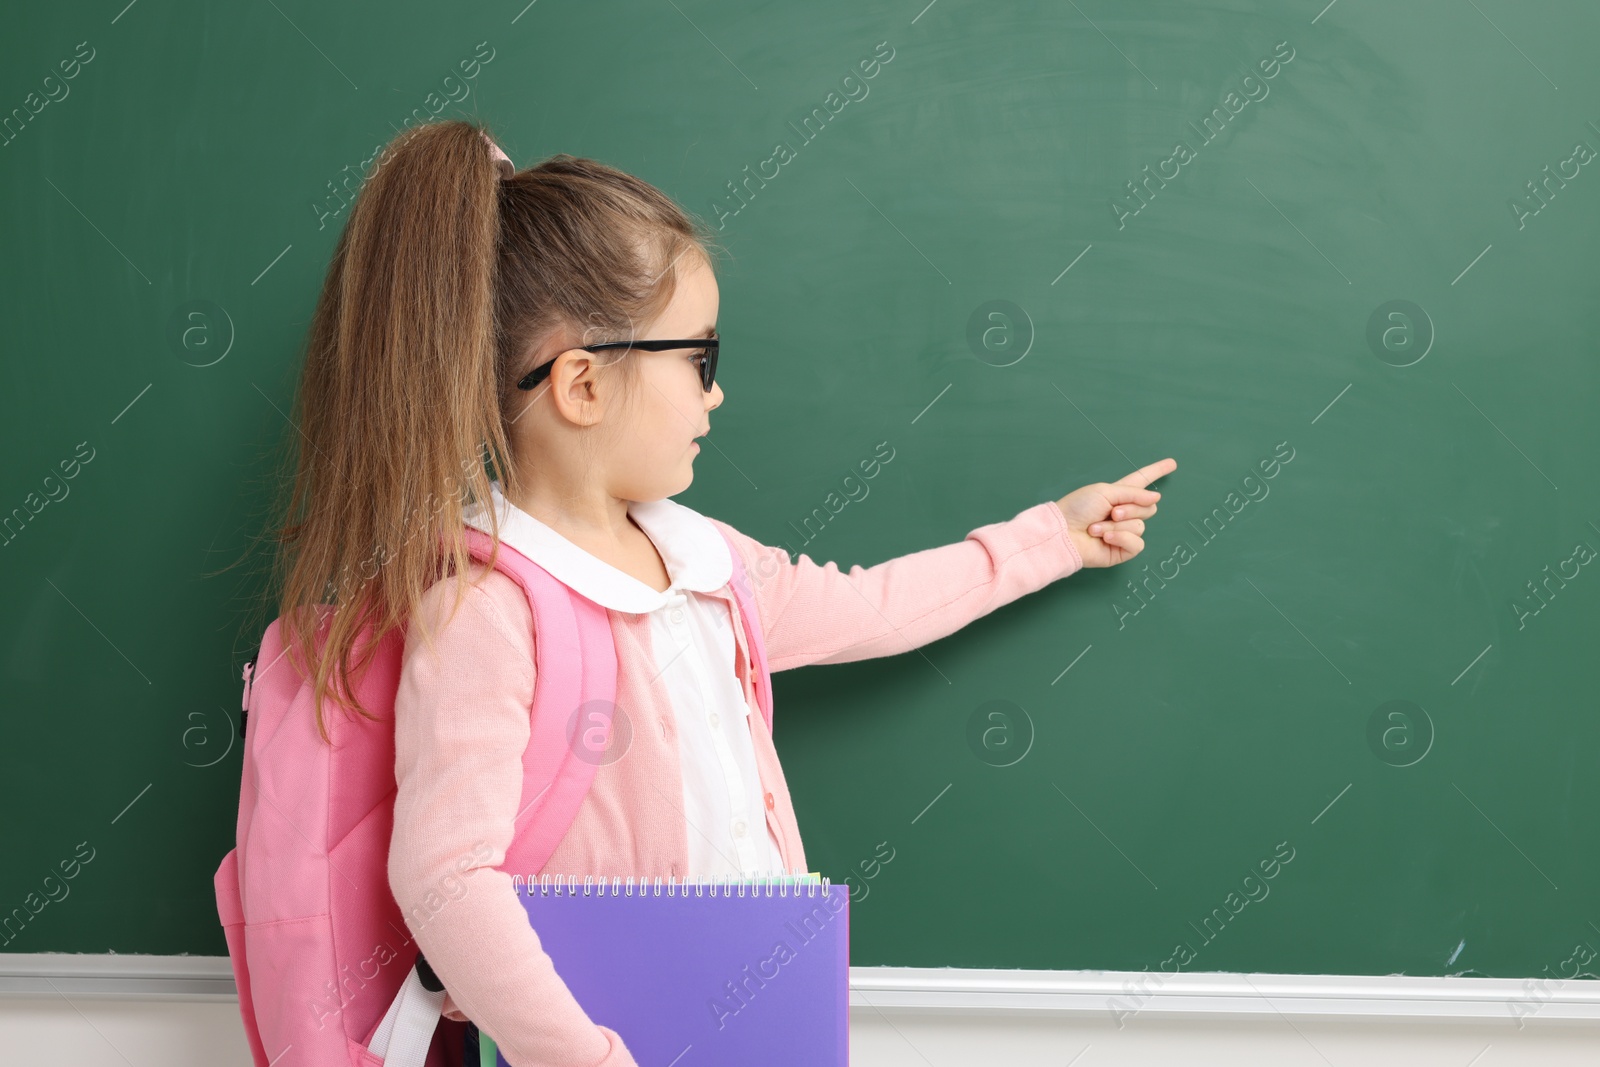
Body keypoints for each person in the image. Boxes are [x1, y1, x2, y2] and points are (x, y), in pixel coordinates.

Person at [269, 118, 1175, 1067]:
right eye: (700, 360)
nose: (717, 394)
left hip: (753, 1022)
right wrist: (583, 1056)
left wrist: (1054, 539)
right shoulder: (485, 608)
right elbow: (447, 876)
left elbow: (875, 607)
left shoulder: (707, 563)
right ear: (582, 384)